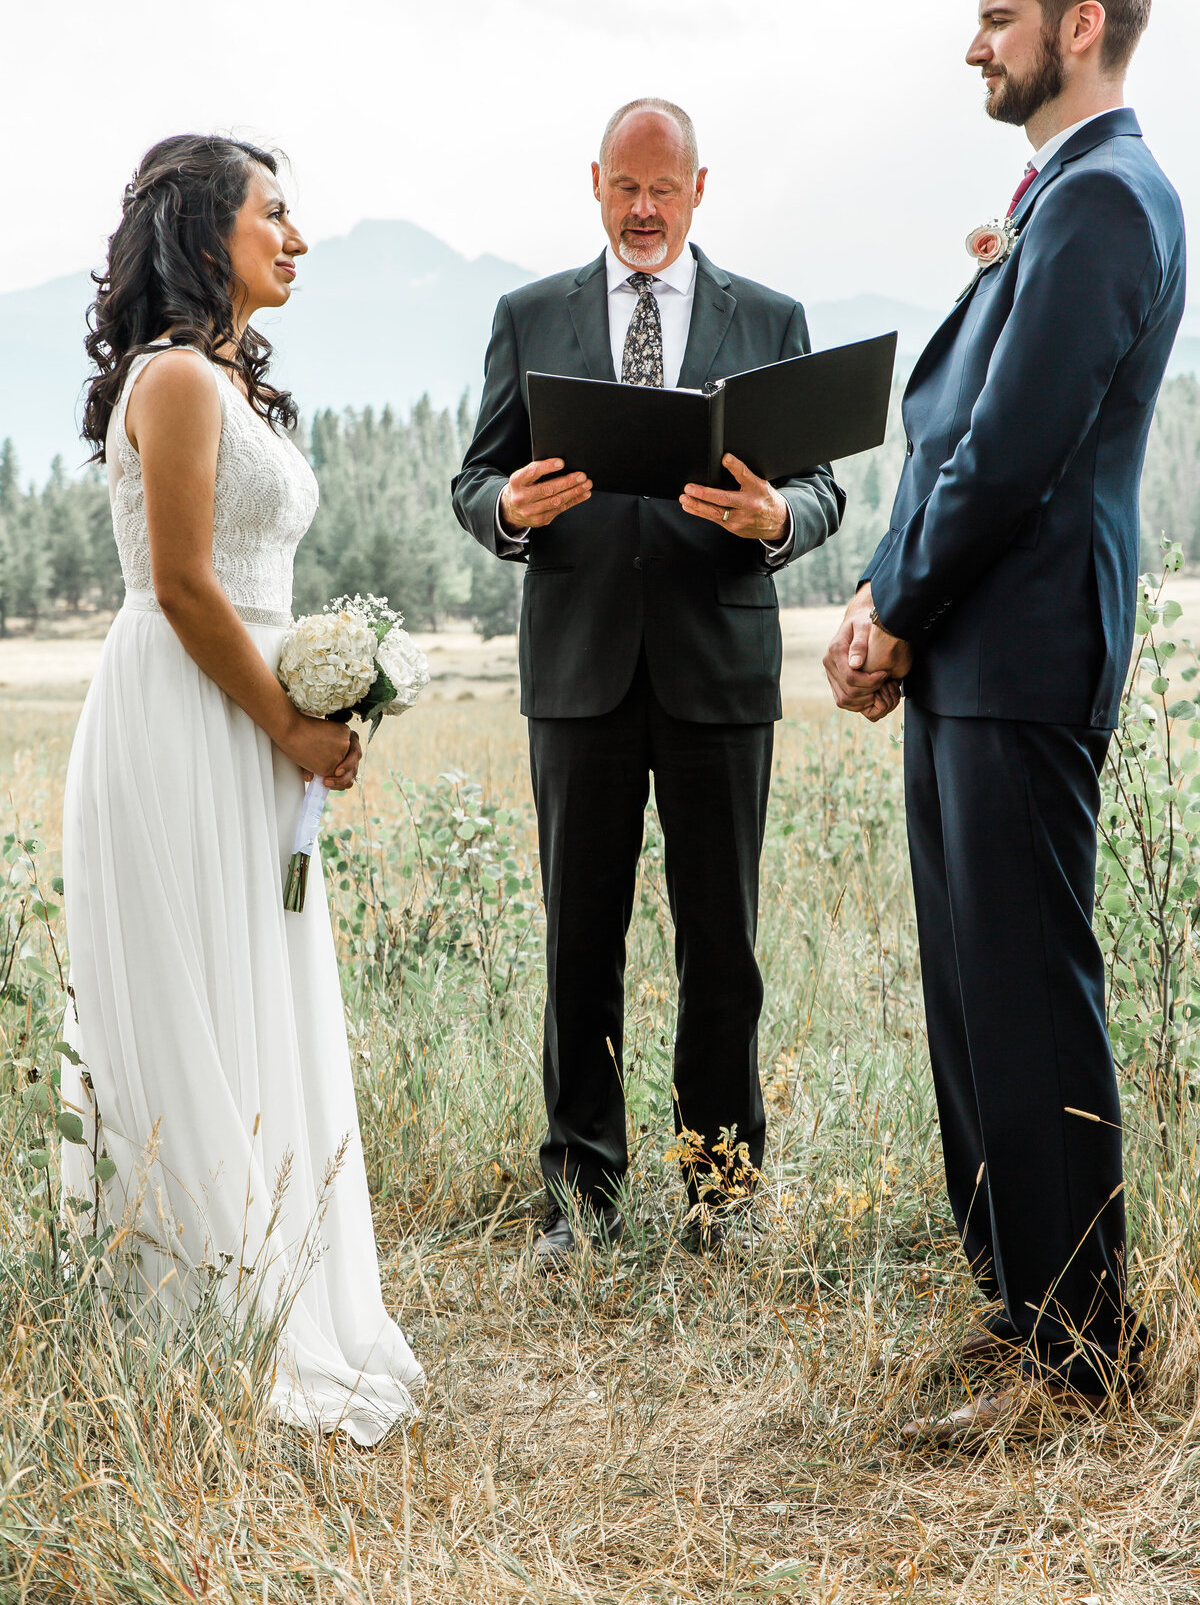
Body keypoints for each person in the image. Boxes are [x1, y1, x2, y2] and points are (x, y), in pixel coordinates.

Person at [824, 0, 1185, 1437]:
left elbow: (1016, 453)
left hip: (1024, 646)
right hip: (981, 644)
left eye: (998, 18)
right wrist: (885, 598)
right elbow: (961, 425)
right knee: (976, 993)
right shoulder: (1060, 201)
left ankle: (1079, 1354)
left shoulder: (1106, 200)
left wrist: (895, 605)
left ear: (1080, 25)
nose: (975, 45)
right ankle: (1021, 1308)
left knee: (1030, 994)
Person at [59, 134, 424, 1444]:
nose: (300, 236)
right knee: (192, 982)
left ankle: (270, 1273)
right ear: (208, 228)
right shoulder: (169, 379)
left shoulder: (231, 383)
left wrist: (328, 692)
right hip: (187, 712)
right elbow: (182, 583)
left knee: (256, 980)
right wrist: (284, 720)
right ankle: (196, 1298)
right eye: (278, 213)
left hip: (253, 714)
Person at [452, 99, 845, 1263]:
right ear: (595, 183)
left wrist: (782, 516)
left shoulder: (767, 317)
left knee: (722, 944)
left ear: (699, 190)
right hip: (577, 676)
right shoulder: (530, 315)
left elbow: (823, 486)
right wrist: (506, 513)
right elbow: (477, 478)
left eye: (662, 189)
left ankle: (719, 1195)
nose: (642, 209)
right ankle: (584, 1195)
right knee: (583, 941)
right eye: (624, 186)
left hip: (720, 671)